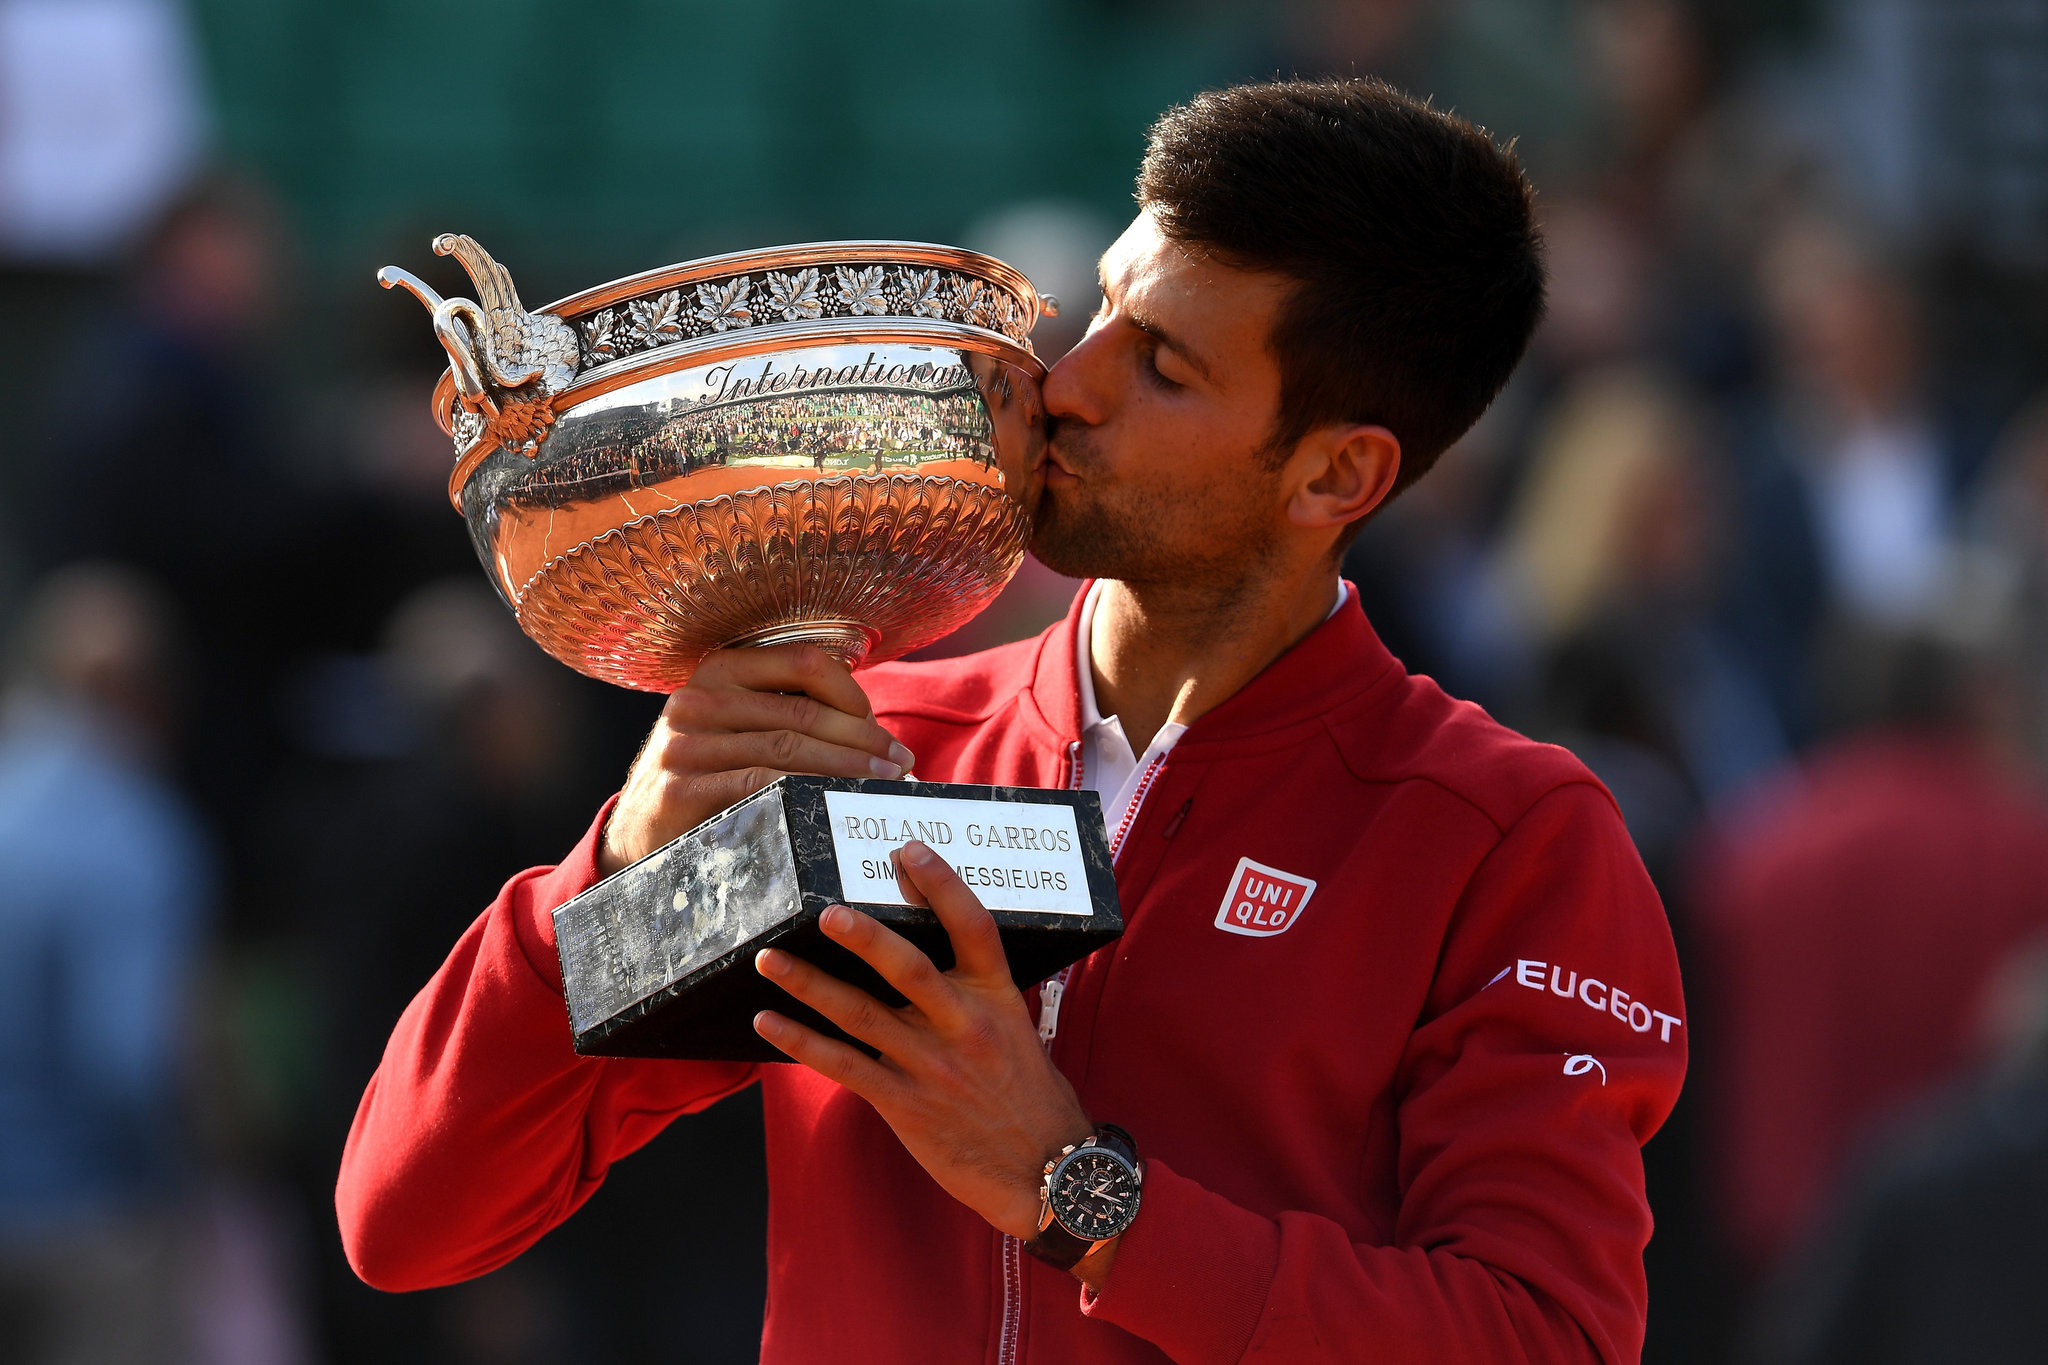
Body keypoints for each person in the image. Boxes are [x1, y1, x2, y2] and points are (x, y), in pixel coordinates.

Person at [338, 79, 1686, 1364]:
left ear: (1338, 471)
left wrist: (1078, 1190)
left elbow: (1540, 1336)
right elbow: (407, 1216)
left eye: (1160, 366)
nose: (1066, 381)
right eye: (1099, 306)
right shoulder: (858, 749)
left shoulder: (1506, 840)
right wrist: (623, 871)